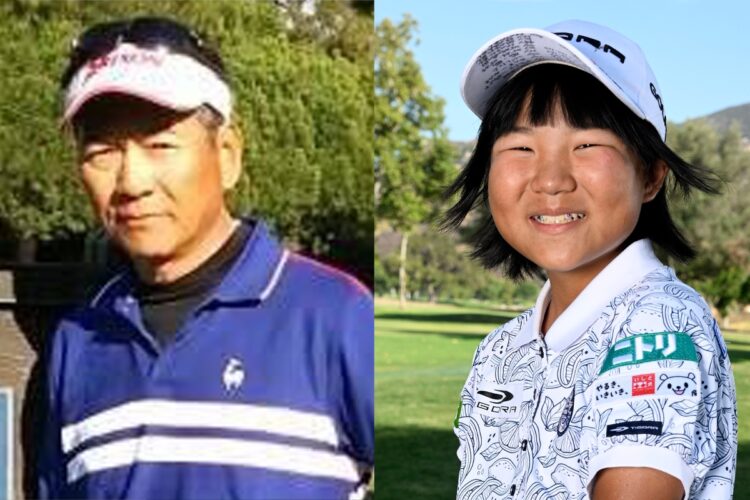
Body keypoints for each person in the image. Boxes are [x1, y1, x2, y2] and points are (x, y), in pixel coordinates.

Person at [38, 16, 373, 500]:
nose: (131, 181)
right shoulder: (80, 340)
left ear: (229, 155)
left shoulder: (336, 314)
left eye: (161, 146)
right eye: (102, 152)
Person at [446, 19, 737, 499]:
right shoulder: (500, 351)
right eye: (521, 147)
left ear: (650, 176)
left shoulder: (658, 327)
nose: (550, 179)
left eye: (586, 145)